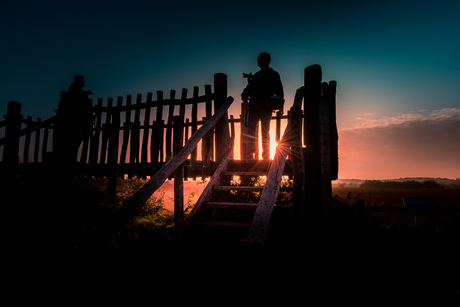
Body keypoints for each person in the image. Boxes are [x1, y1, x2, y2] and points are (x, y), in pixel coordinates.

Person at [241, 52, 284, 159]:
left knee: (264, 131)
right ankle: (250, 155)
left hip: (265, 107)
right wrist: (244, 96)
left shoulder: (273, 75)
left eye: (259, 60)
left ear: (264, 61)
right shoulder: (256, 76)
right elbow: (248, 90)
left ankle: (264, 155)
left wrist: (280, 105)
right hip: (255, 107)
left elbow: (280, 92)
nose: (258, 62)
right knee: (252, 130)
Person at [54, 75, 94, 165]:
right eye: (83, 80)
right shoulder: (74, 88)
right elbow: (75, 99)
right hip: (74, 120)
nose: (84, 82)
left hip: (78, 119)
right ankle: (70, 160)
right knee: (73, 140)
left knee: (75, 140)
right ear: (79, 81)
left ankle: (71, 159)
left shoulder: (79, 89)